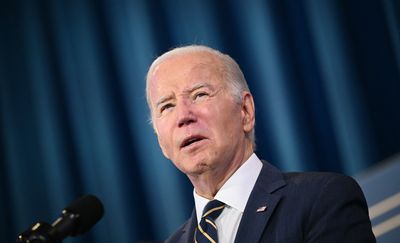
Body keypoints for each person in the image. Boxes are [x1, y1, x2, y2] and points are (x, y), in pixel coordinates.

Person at [145, 45, 375, 243]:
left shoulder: (322, 200)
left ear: (245, 111)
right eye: (166, 106)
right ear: (160, 142)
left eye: (200, 94)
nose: (183, 116)